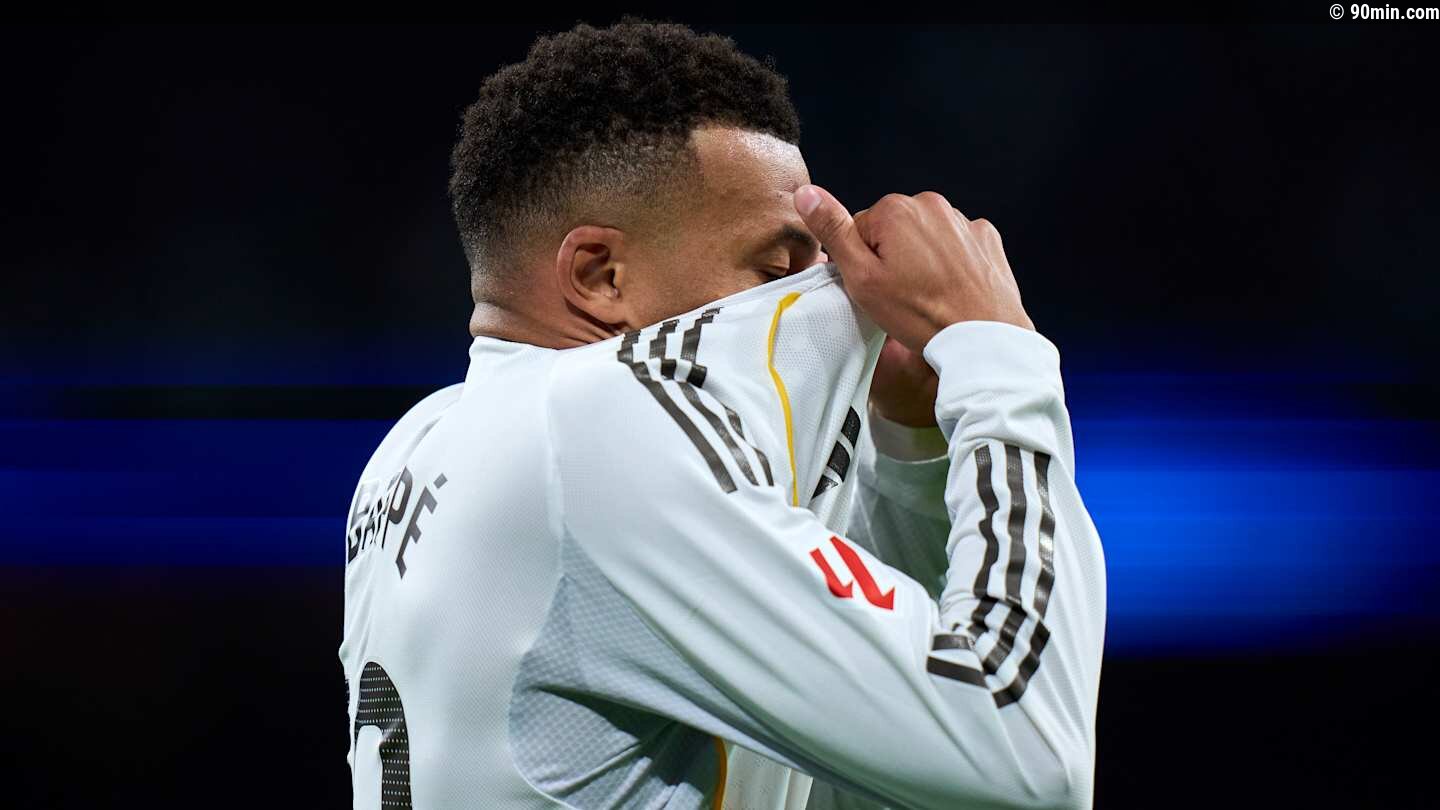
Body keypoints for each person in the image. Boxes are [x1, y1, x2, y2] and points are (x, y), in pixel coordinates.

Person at [340, 20, 1106, 810]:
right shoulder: (597, 429)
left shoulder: (419, 444)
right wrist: (996, 349)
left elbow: (896, 776)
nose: (832, 300)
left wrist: (913, 449)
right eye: (778, 271)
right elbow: (1028, 756)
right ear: (601, 276)